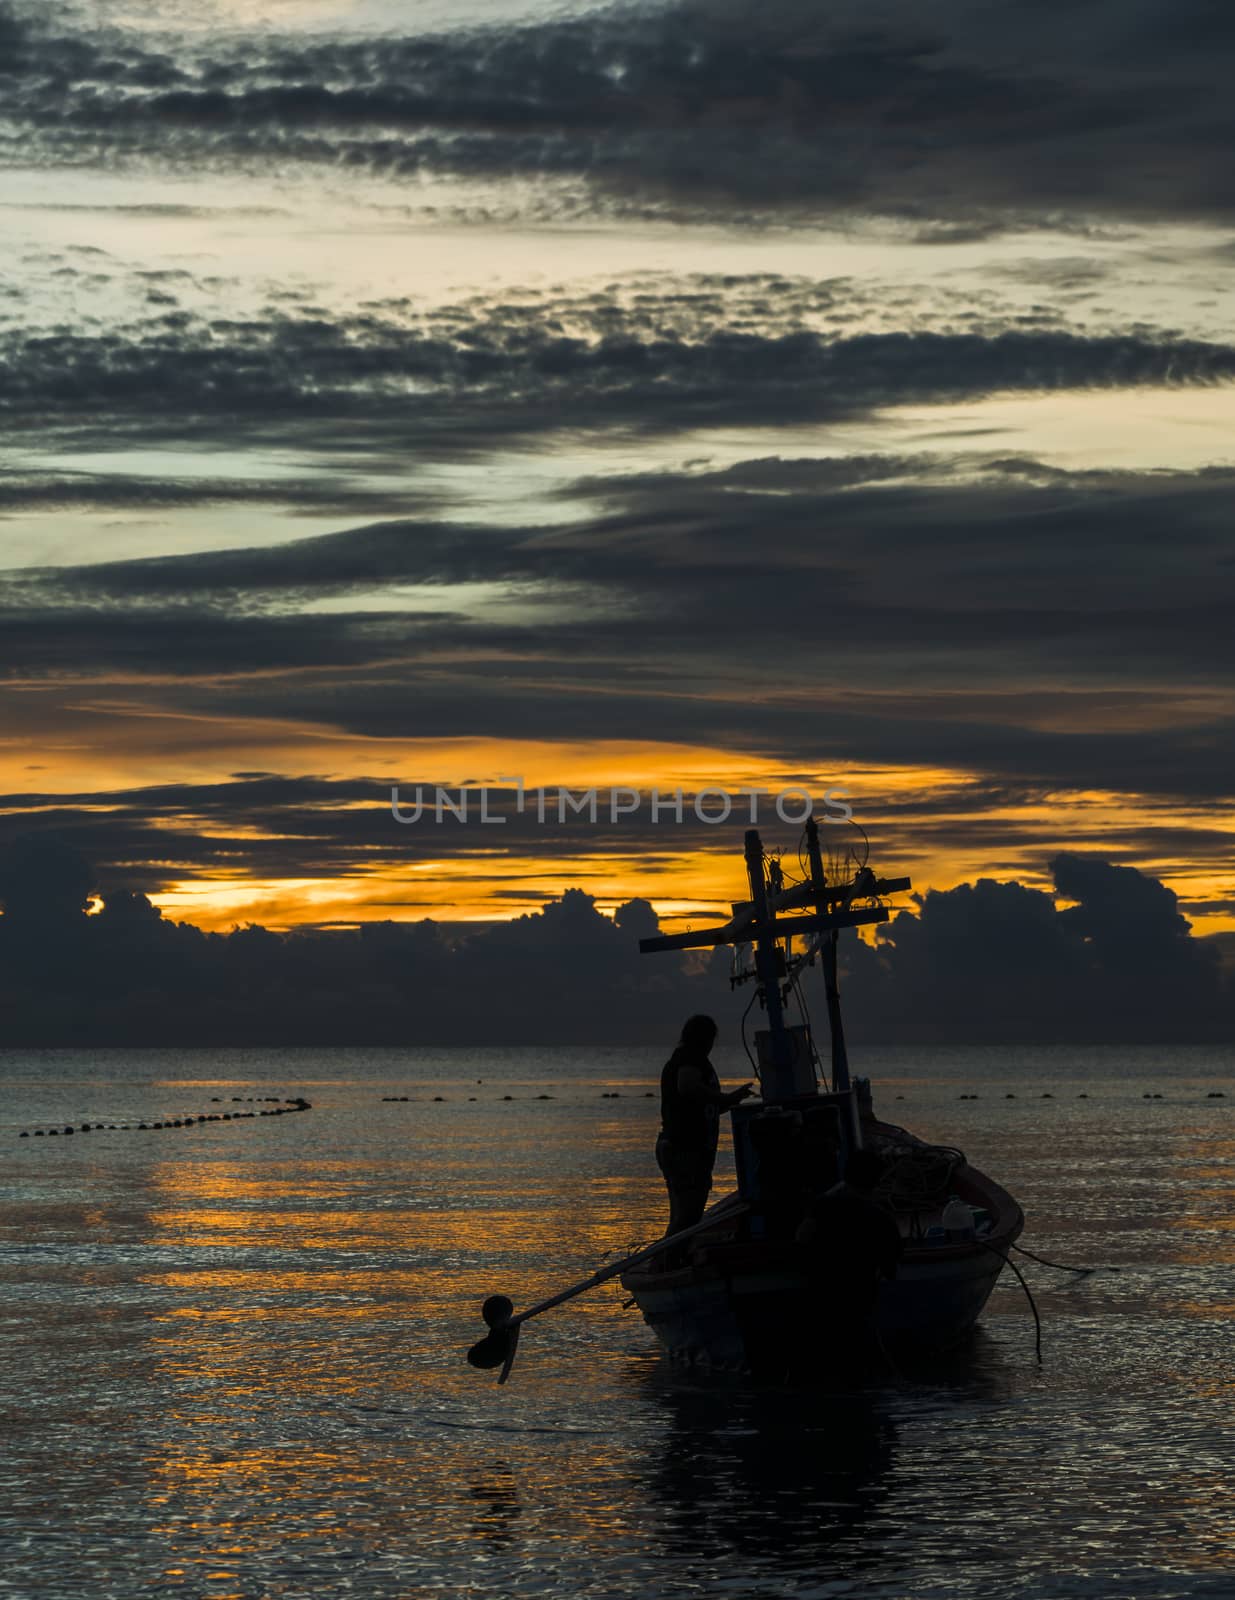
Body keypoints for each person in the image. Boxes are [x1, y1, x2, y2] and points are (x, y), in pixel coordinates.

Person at [656, 1014, 753, 1251]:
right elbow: (687, 1086)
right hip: (685, 1150)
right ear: (706, 1039)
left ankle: (668, 1261)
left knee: (682, 1217)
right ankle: (664, 1263)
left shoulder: (685, 1059)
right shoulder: (690, 1059)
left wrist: (731, 1101)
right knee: (687, 1218)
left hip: (679, 1148)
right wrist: (726, 1097)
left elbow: (703, 1107)